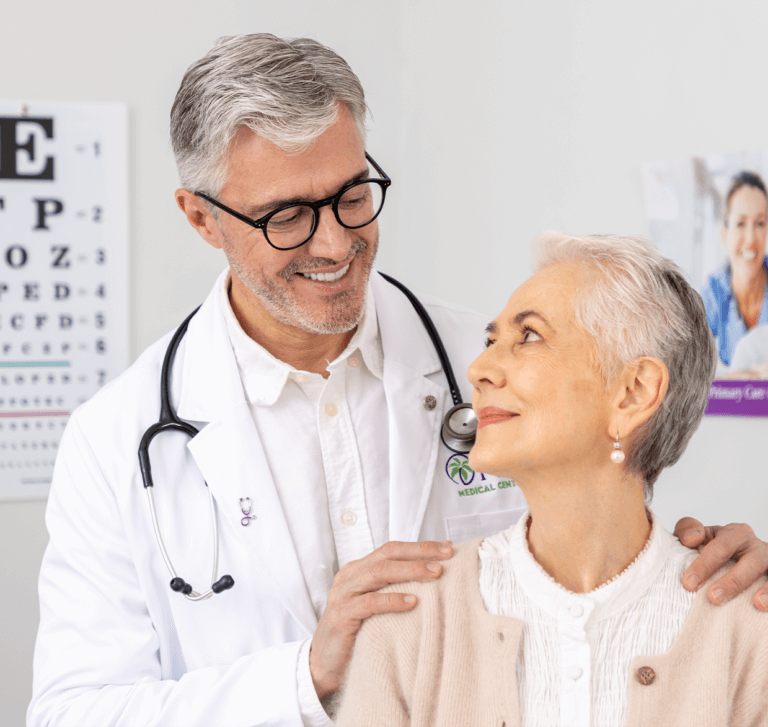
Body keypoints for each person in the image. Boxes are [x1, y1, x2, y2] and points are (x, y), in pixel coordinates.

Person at [27, 36, 768, 727]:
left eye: (352, 195)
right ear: (200, 218)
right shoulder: (115, 438)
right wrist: (305, 675)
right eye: (287, 216)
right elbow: (70, 712)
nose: (335, 241)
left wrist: (702, 572)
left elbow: (598, 541)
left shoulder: (488, 370)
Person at [337, 233, 768, 727]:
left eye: (530, 336)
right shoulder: (408, 623)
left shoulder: (749, 627)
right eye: (490, 341)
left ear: (633, 392)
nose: (478, 369)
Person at [701, 170, 768, 373]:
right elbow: (684, 363)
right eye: (740, 223)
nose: (750, 239)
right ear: (724, 233)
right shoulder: (714, 290)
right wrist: (741, 378)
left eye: (759, 223)